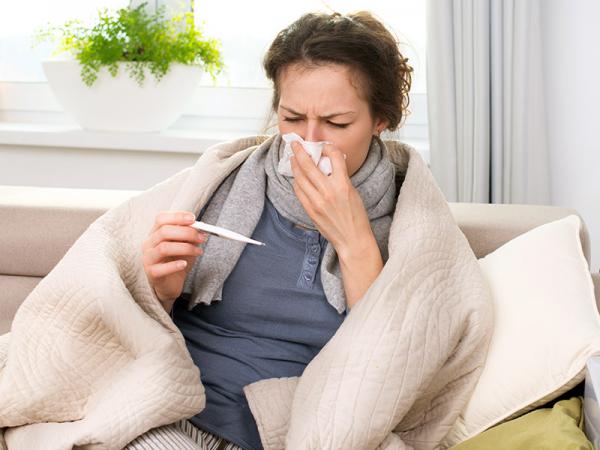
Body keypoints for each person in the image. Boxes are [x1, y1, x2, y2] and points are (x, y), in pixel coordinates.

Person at [130, 10, 412, 450]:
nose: (308, 140)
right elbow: (116, 319)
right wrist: (160, 290)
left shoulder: (409, 221)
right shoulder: (222, 183)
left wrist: (354, 239)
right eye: (292, 118)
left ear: (381, 121)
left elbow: (390, 366)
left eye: (337, 124)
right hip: (169, 413)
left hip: (297, 429)